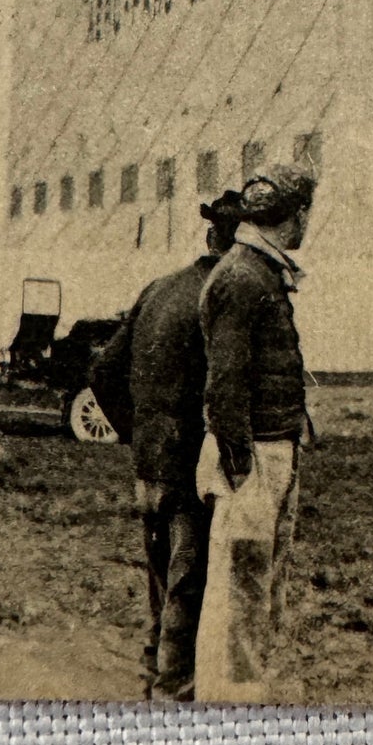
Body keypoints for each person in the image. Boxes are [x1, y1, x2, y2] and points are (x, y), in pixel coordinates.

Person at [98, 192, 241, 701]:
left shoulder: (159, 289)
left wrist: (136, 434)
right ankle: (172, 695)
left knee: (162, 579)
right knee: (188, 584)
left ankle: (151, 676)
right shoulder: (226, 299)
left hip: (149, 465)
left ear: (208, 238)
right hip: (189, 470)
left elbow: (104, 371)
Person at [194, 162, 318, 703]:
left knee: (254, 587)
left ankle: (241, 695)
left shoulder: (258, 271)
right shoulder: (245, 277)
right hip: (254, 460)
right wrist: (243, 472)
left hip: (268, 454)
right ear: (294, 218)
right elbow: (223, 389)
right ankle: (231, 705)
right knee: (241, 590)